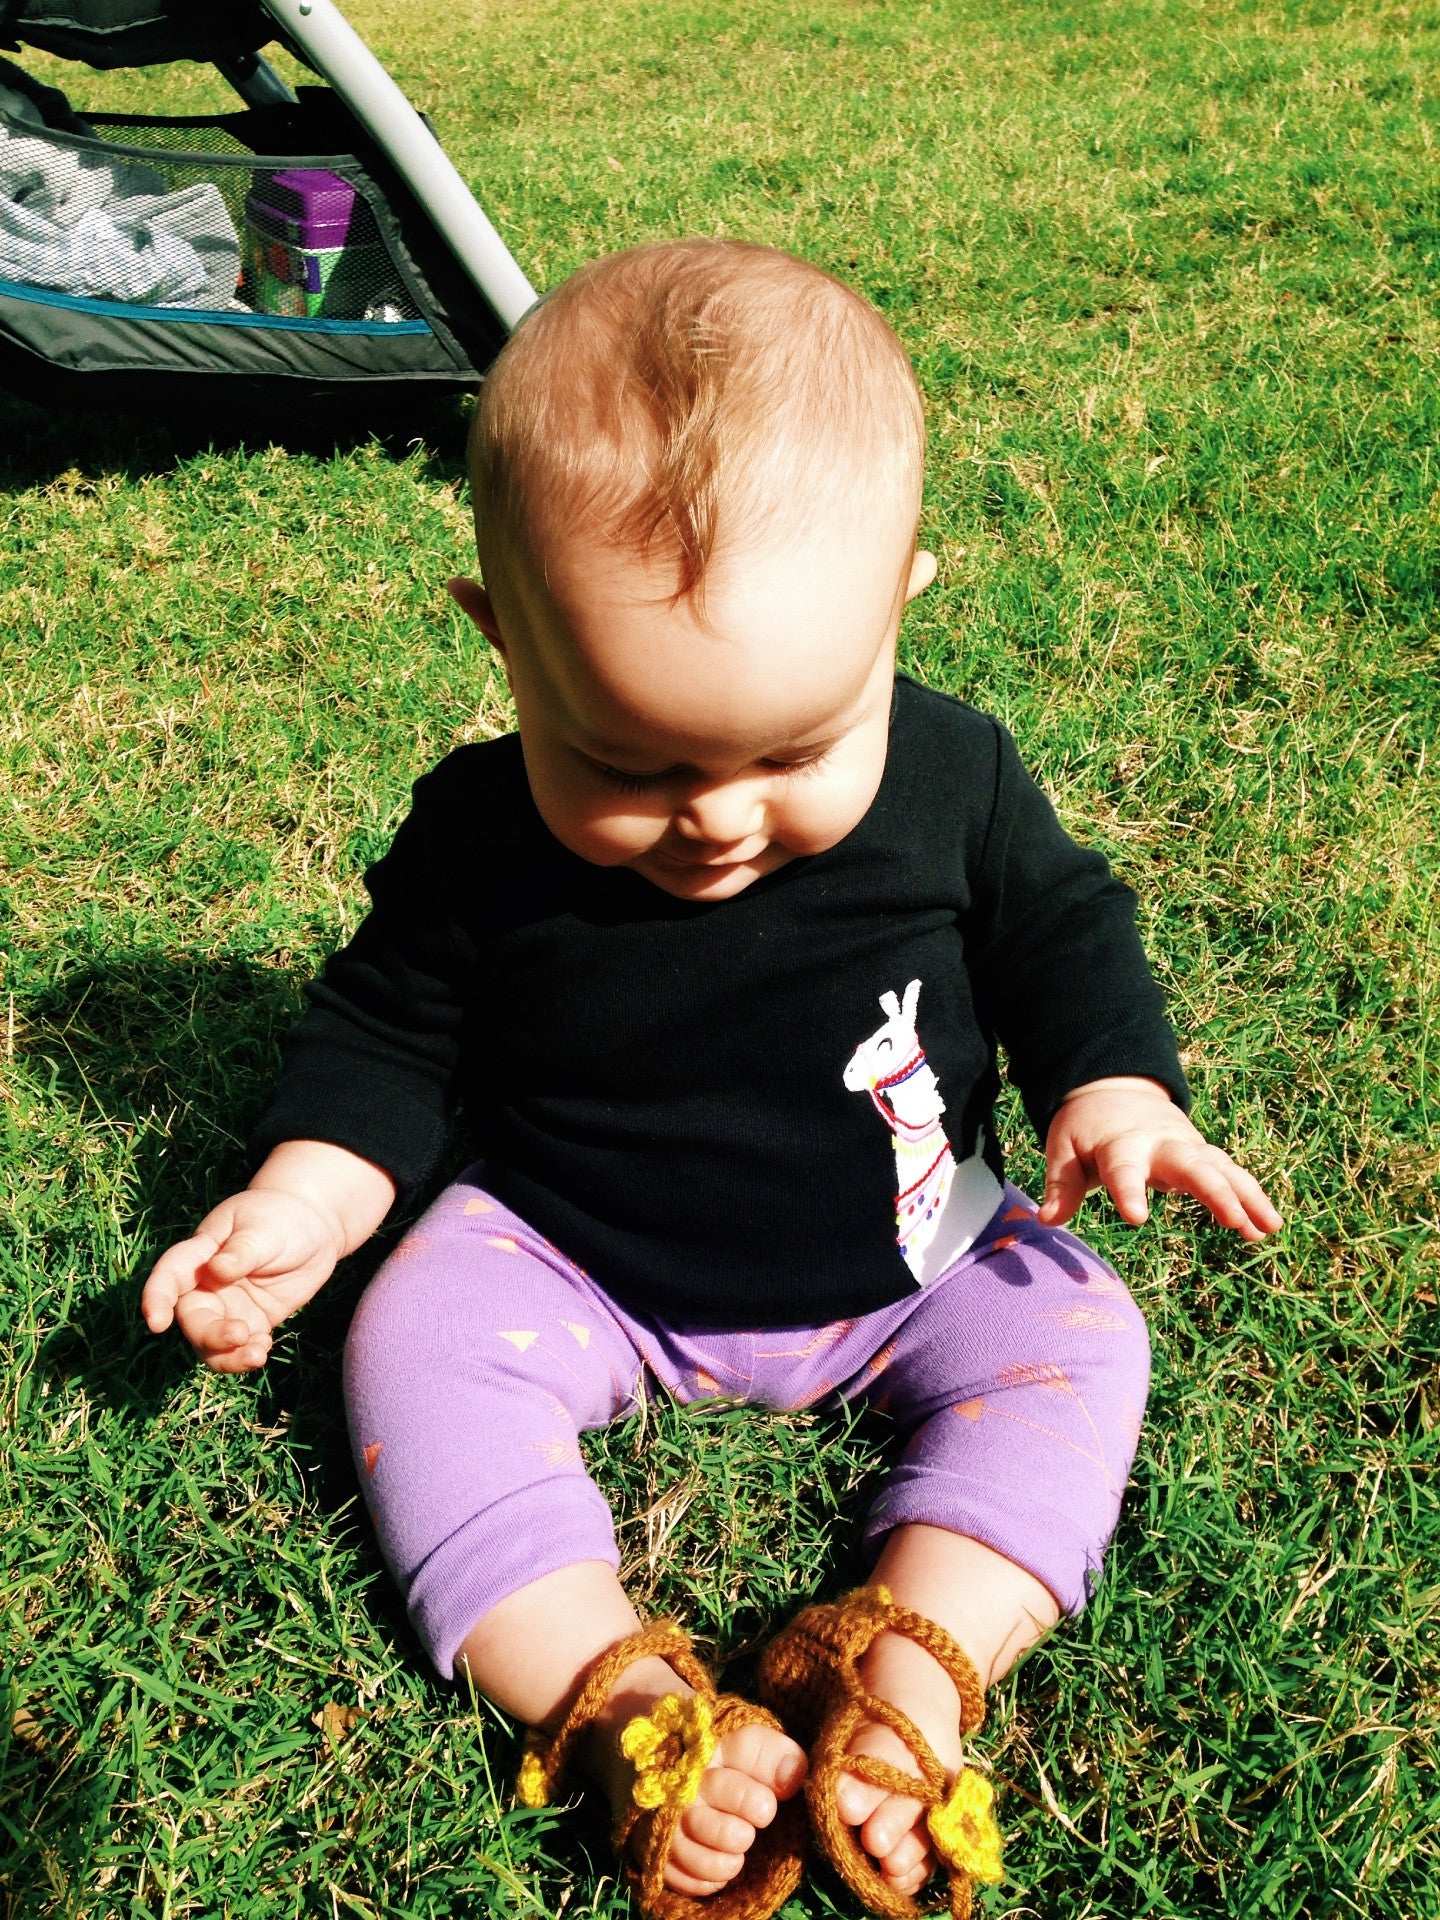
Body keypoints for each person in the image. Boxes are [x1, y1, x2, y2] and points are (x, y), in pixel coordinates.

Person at [141, 240, 1281, 1920]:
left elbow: (1062, 931)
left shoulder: (954, 772)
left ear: (900, 610)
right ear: (502, 640)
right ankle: (613, 1700)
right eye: (628, 760)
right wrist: (305, 1200)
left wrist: (1116, 1083)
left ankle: (911, 1679)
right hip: (572, 1258)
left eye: (799, 747)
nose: (722, 814)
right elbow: (385, 1033)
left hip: (910, 1255)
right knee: (412, 1338)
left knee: (1080, 1333)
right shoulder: (474, 838)